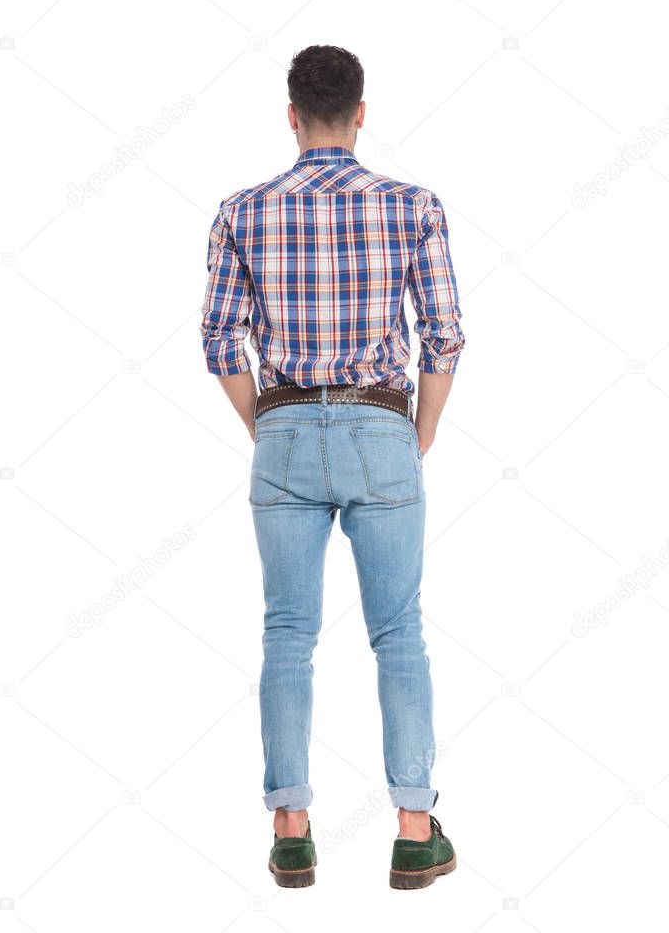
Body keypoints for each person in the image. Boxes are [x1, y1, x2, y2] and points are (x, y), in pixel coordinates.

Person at [200, 44, 465, 890]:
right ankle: (415, 830)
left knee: (287, 632)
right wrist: (417, 432)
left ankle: (290, 828)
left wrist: (267, 425)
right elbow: (445, 334)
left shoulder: (242, 211)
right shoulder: (412, 205)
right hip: (383, 426)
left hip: (281, 430)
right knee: (399, 631)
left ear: (290, 115)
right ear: (360, 114)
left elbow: (218, 341)